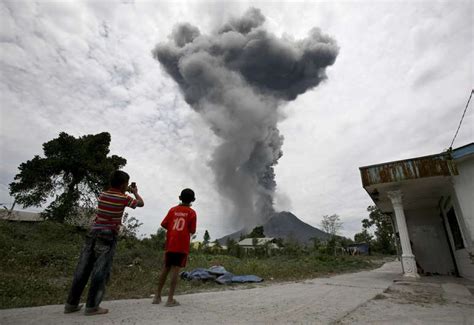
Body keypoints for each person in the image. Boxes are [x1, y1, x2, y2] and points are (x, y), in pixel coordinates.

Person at [64, 170, 144, 316]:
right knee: (100, 271)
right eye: (126, 183)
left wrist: (124, 188)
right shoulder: (123, 198)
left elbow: (113, 193)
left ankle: (71, 304)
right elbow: (141, 203)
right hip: (107, 236)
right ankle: (92, 307)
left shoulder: (102, 195)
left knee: (83, 269)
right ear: (123, 184)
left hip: (93, 232)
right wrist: (134, 192)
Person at [153, 188, 197, 307]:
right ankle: (170, 299)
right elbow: (192, 230)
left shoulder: (172, 210)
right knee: (175, 271)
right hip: (181, 246)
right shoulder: (192, 213)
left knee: (165, 268)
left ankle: (157, 296)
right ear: (193, 200)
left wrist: (173, 230)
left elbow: (164, 224)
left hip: (170, 244)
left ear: (179, 198)